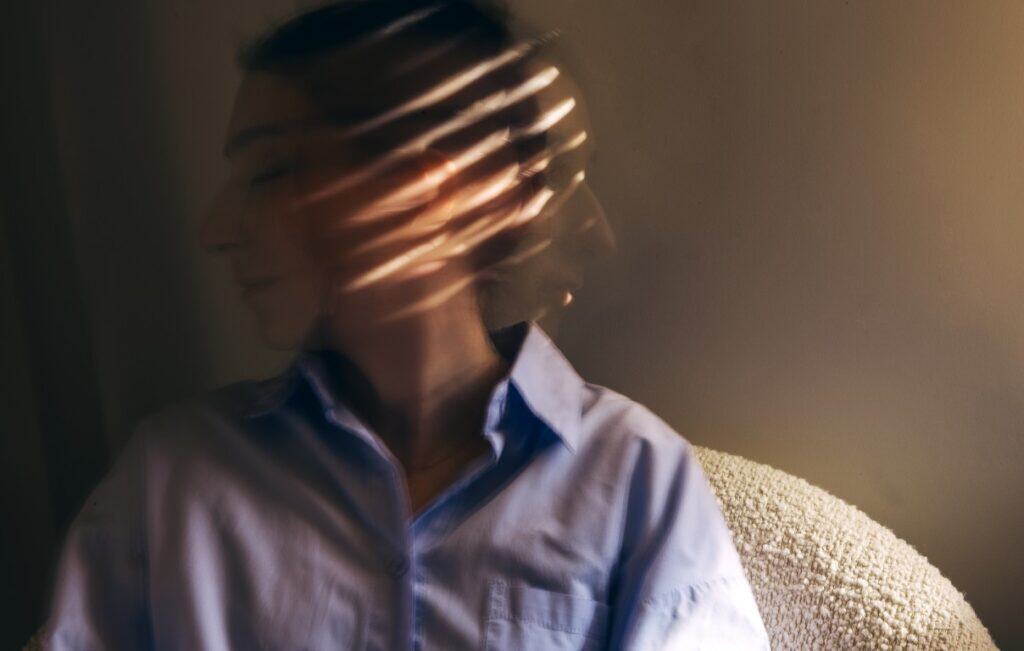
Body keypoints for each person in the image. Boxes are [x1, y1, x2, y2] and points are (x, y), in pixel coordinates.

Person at [44, 1, 769, 648]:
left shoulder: (637, 481)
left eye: (271, 171)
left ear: (429, 191)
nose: (215, 229)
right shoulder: (169, 483)